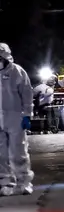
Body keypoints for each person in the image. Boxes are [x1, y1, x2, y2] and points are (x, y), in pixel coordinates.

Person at [0, 43, 34, 196]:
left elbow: (27, 94)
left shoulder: (17, 72)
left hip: (15, 116)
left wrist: (27, 114)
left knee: (18, 151)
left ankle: (24, 181)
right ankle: (6, 181)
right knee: (1, 154)